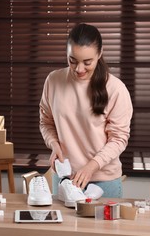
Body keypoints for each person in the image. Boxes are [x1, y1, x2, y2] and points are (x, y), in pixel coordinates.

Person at [39, 23, 133, 198]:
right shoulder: (54, 81)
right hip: (64, 179)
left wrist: (92, 166)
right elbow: (46, 122)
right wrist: (54, 144)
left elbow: (119, 138)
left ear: (100, 54)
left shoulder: (115, 89)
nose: (79, 69)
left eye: (87, 62)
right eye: (72, 60)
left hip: (104, 182)